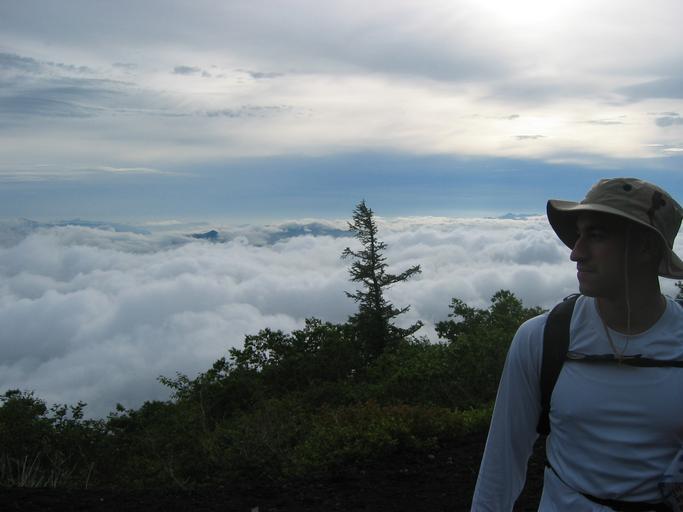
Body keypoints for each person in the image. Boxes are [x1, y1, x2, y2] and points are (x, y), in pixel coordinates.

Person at [470, 177, 683, 511]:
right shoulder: (542, 338)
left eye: (596, 235)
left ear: (645, 248)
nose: (576, 252)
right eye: (579, 235)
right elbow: (501, 463)